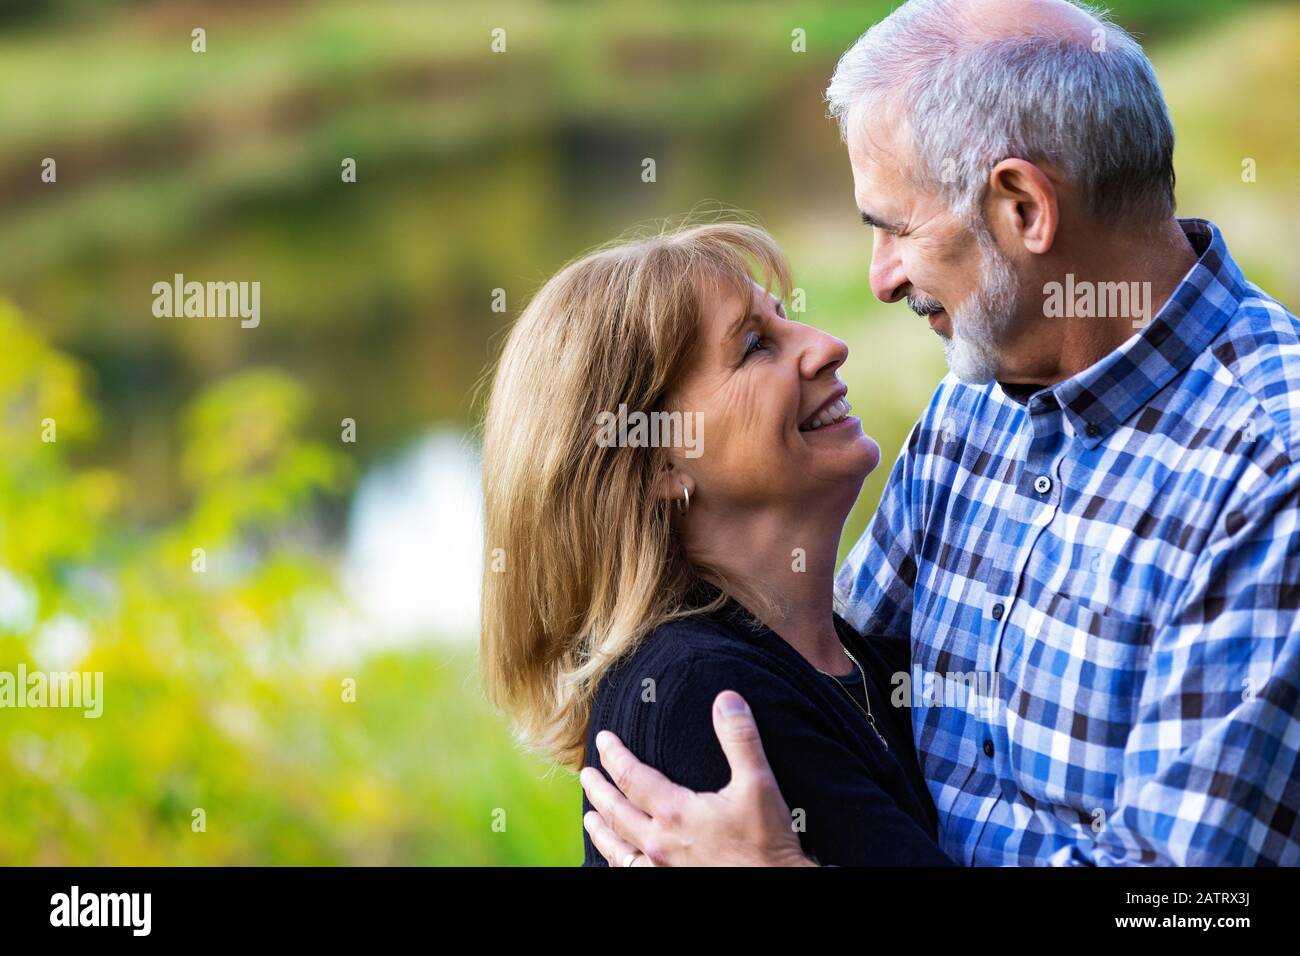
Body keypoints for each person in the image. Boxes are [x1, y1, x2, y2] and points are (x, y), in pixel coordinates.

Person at [581, 0, 1300, 866]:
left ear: (1024, 208)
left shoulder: (1269, 474)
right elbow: (829, 677)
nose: (880, 280)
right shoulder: (974, 407)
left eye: (895, 227)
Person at [479, 221, 954, 865]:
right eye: (756, 345)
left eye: (787, 322)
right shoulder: (702, 702)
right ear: (657, 464)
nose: (827, 346)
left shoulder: (844, 653)